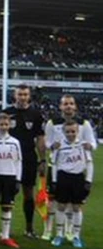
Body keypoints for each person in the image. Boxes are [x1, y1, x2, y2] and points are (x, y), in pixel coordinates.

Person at [42, 94, 97, 241]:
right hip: (56, 167)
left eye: (71, 103)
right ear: (60, 106)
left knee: (73, 203)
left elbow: (92, 143)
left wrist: (89, 146)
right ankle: (48, 230)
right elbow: (47, 142)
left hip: (76, 168)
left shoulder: (83, 123)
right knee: (53, 202)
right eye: (65, 104)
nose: (68, 106)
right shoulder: (52, 123)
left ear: (75, 106)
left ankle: (69, 231)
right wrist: (52, 146)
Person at [4, 84, 46, 239]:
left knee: (29, 194)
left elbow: (40, 138)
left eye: (25, 94)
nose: (22, 97)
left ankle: (29, 228)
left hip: (28, 158)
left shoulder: (35, 114)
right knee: (9, 194)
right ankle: (6, 229)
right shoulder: (7, 113)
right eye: (19, 94)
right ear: (15, 95)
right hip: (9, 159)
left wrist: (42, 160)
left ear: (29, 96)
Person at [50, 120, 93, 249]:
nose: (70, 134)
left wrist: (88, 180)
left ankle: (76, 236)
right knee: (61, 206)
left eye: (73, 131)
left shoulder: (83, 145)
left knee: (76, 207)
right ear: (63, 132)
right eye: (68, 131)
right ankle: (59, 234)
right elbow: (54, 163)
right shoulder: (59, 146)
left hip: (78, 178)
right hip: (63, 177)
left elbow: (89, 163)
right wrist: (54, 181)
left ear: (77, 131)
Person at [0, 113, 22, 249]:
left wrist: (18, 179)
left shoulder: (15, 142)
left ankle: (5, 236)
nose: (3, 127)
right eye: (1, 124)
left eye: (6, 124)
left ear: (10, 125)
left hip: (9, 176)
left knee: (7, 206)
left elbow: (18, 161)